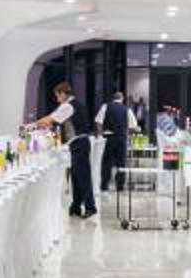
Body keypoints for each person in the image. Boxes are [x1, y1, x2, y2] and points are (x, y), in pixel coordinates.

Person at [36, 82, 94, 218]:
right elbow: (53, 116)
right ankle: (76, 206)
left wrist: (33, 125)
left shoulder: (68, 106)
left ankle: (91, 207)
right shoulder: (72, 105)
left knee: (83, 176)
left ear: (63, 94)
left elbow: (49, 119)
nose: (57, 100)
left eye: (57, 96)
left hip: (79, 143)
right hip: (77, 143)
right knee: (76, 176)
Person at [99, 89, 132, 196]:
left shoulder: (106, 106)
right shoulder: (126, 109)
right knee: (121, 163)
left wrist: (101, 134)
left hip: (108, 137)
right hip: (121, 138)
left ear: (113, 98)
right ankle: (120, 186)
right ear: (122, 99)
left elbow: (98, 121)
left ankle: (104, 185)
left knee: (107, 162)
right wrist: (127, 134)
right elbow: (133, 125)